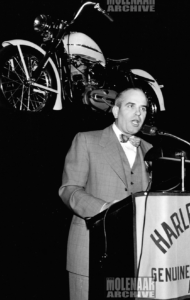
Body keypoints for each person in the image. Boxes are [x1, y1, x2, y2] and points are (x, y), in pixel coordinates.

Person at [59, 88, 152, 300]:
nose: (139, 113)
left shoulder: (150, 150)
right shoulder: (86, 140)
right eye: (131, 106)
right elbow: (68, 190)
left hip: (137, 258)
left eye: (143, 108)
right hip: (89, 251)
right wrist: (104, 210)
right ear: (116, 111)